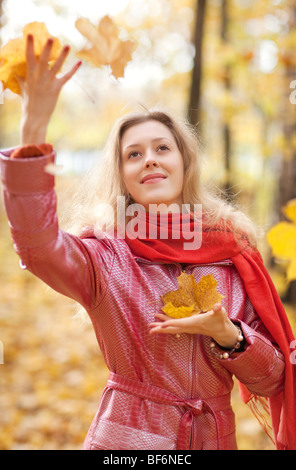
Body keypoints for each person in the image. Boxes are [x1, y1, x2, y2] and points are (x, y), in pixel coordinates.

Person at [0, 35, 295, 451]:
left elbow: (274, 378)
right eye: (133, 154)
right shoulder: (105, 256)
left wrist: (229, 334)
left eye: (162, 148)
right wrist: (33, 130)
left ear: (184, 163)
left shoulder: (231, 251)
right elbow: (36, 245)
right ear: (122, 175)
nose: (150, 159)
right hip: (127, 442)